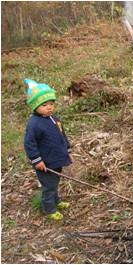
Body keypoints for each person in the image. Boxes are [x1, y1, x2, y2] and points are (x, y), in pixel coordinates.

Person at [24, 79, 73, 220]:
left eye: (51, 104)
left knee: (55, 182)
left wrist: (67, 151)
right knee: (49, 185)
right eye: (44, 105)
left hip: (56, 158)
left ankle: (56, 201)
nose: (49, 107)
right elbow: (29, 144)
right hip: (45, 163)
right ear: (35, 106)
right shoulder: (34, 124)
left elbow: (62, 135)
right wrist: (37, 160)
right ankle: (49, 209)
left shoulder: (54, 119)